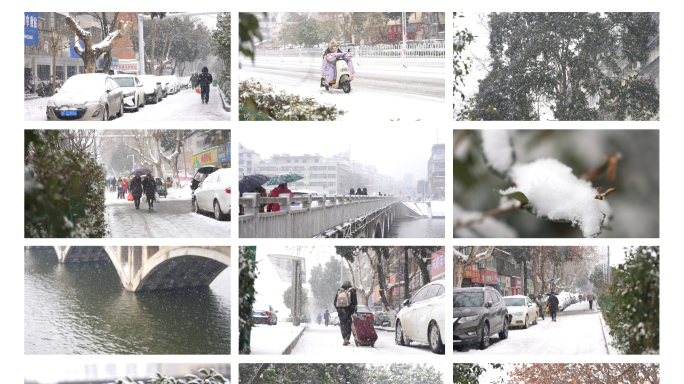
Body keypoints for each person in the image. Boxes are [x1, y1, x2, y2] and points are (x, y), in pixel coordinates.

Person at [333, 280, 357, 345]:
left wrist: (338, 309)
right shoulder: (352, 290)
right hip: (348, 311)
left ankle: (345, 338)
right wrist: (354, 311)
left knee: (343, 325)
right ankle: (347, 338)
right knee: (348, 325)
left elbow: (335, 302)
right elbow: (354, 302)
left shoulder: (339, 291)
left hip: (341, 311)